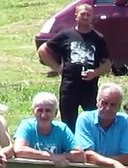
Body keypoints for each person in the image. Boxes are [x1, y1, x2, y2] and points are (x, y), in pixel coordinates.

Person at [38, 3, 111, 131]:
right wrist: (57, 68)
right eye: (83, 14)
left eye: (89, 14)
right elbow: (43, 50)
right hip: (69, 87)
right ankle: (70, 148)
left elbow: (107, 64)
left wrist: (95, 72)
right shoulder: (66, 35)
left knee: (92, 122)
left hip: (90, 89)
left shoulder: (98, 38)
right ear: (76, 16)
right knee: (68, 123)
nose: (85, 17)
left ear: (92, 17)